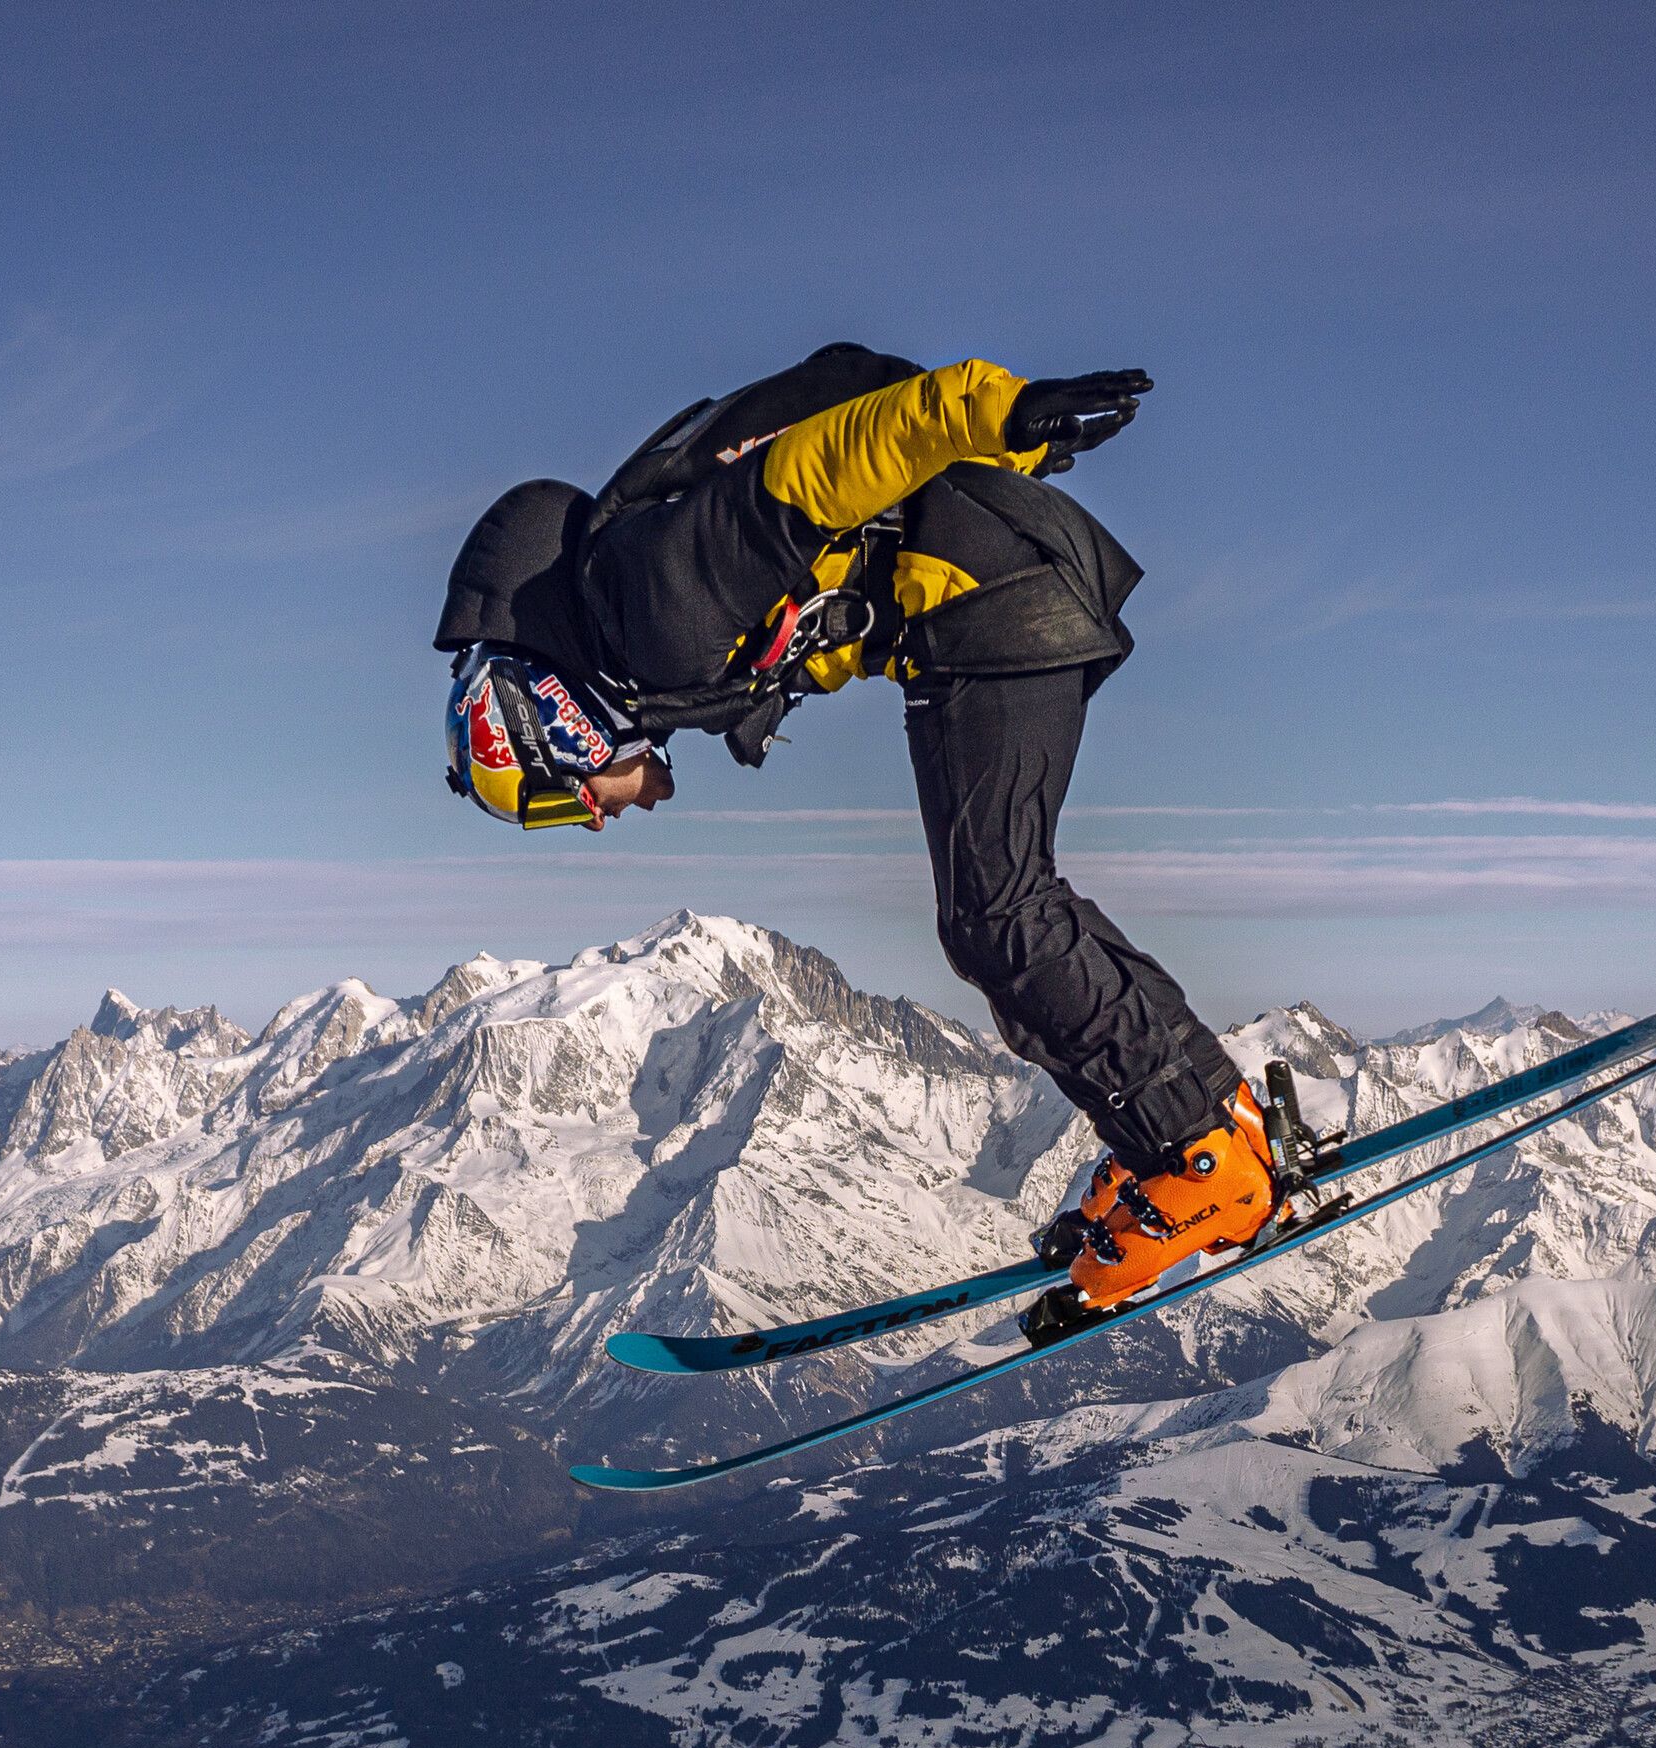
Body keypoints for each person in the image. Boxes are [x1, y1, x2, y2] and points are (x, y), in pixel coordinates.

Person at [434, 346, 1279, 1328]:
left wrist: (995, 411)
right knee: (1002, 906)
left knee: (995, 912)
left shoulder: (653, 609)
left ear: (560, 723)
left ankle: (1199, 1159)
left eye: (561, 795)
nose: (593, 811)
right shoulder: (642, 626)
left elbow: (818, 469)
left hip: (984, 593)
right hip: (965, 602)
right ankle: (1204, 1127)